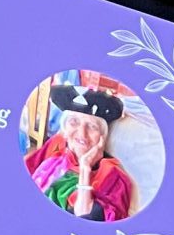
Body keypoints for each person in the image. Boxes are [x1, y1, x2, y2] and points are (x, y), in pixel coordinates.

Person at [25, 82, 136, 223]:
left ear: (102, 136)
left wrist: (85, 168)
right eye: (74, 122)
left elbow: (86, 220)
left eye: (92, 126)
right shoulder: (57, 145)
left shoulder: (113, 177)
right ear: (65, 129)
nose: (82, 133)